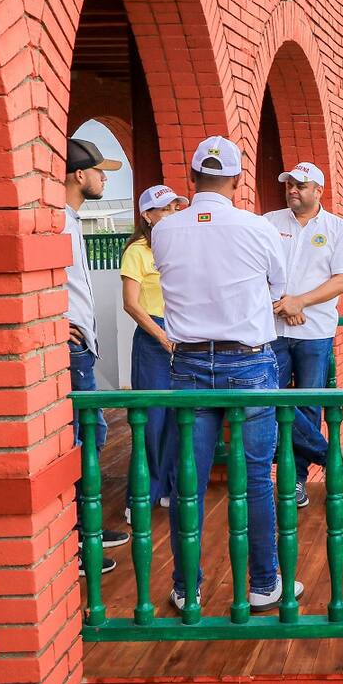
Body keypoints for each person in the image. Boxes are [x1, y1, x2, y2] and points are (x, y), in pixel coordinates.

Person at [152, 135, 300, 613]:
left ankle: (186, 587)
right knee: (256, 477)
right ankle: (263, 583)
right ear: (238, 183)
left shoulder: (165, 230)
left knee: (186, 483)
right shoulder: (257, 229)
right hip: (250, 362)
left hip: (189, 363)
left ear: (191, 178)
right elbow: (279, 286)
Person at [264, 162, 343, 508]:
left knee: (308, 405)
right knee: (270, 400)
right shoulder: (268, 223)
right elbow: (253, 269)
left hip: (315, 331)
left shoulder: (338, 229)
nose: (292, 190)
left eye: (300, 185)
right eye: (289, 184)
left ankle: (297, 482)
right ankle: (327, 453)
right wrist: (284, 304)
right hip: (272, 329)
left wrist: (299, 302)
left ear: (318, 190)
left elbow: (341, 281)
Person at [63, 136, 131, 574]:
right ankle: (78, 543)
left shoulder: (71, 218)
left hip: (80, 347)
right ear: (79, 174)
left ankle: (86, 529)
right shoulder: (56, 221)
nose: (105, 177)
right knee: (82, 442)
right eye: (99, 171)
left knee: (93, 438)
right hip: (69, 351)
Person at [120, 184, 189, 521]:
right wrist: (162, 336)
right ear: (147, 216)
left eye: (175, 207)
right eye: (164, 208)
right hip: (153, 339)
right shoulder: (137, 251)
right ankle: (139, 497)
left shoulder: (179, 248)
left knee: (177, 419)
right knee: (151, 420)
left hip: (182, 336)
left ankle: (166, 489)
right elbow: (131, 304)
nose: (172, 213)